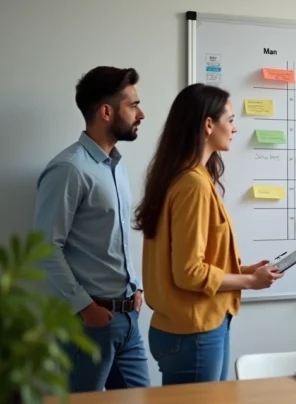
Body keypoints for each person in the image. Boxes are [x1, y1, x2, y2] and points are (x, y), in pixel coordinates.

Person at [133, 83, 283, 385]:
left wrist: (242, 271)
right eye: (230, 119)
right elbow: (189, 272)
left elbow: (188, 262)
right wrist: (250, 282)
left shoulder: (180, 176)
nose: (235, 128)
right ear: (208, 125)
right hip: (194, 332)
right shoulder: (193, 185)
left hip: (187, 328)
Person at [32, 66, 150, 392]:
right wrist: (85, 307)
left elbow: (116, 239)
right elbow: (46, 247)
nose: (141, 114)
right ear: (106, 112)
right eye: (133, 105)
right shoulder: (69, 169)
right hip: (91, 322)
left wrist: (136, 287)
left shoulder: (117, 167)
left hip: (128, 319)